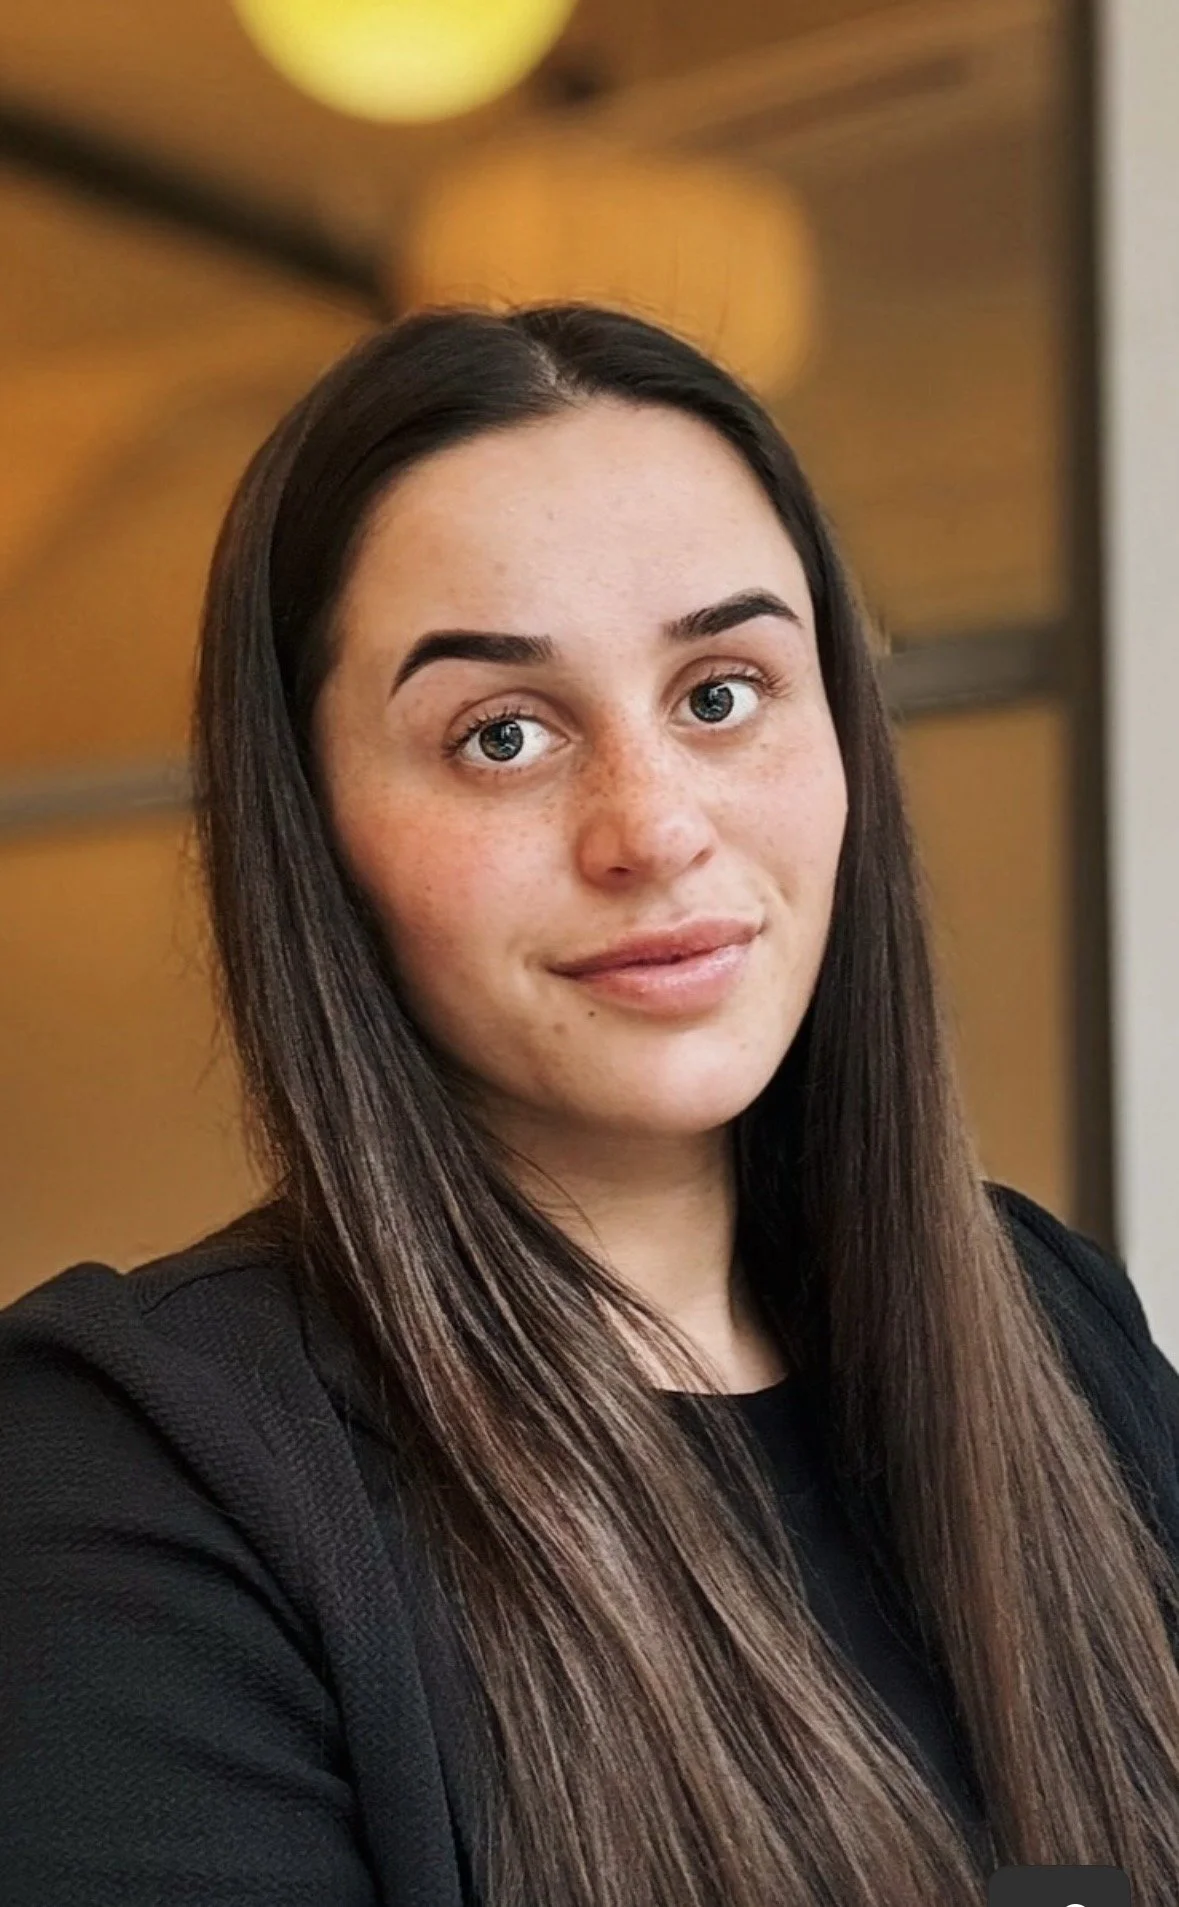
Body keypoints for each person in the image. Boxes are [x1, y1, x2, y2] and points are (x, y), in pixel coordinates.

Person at [2, 303, 1179, 1907]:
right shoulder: (137, 1480)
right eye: (502, 734)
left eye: (720, 691)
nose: (651, 828)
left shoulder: (1055, 1327)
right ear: (314, 825)